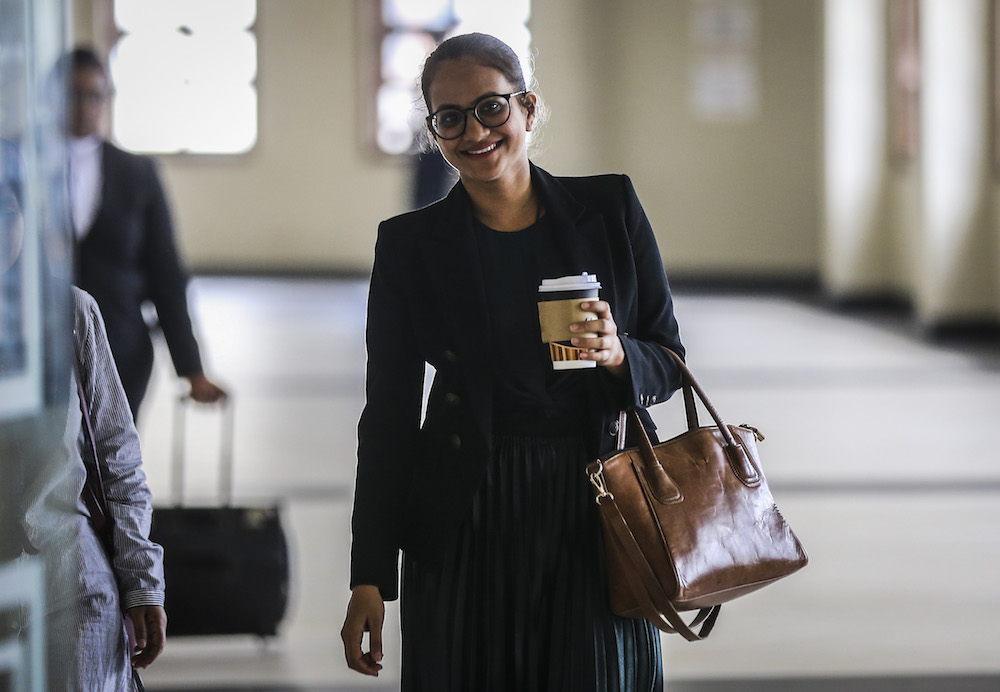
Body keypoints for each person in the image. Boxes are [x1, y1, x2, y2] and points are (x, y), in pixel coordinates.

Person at [341, 33, 685, 691]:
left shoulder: (609, 209)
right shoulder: (410, 246)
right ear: (434, 132)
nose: (475, 131)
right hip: (465, 514)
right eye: (450, 118)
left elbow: (667, 359)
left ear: (527, 107)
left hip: (595, 506)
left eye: (492, 108)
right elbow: (386, 417)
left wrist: (618, 355)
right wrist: (369, 576)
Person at [65, 47, 226, 419]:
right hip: (47, 353)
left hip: (120, 349)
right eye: (74, 94)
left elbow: (166, 271)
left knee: (111, 466)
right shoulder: (27, 166)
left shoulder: (135, 173)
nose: (85, 105)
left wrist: (192, 368)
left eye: (95, 95)